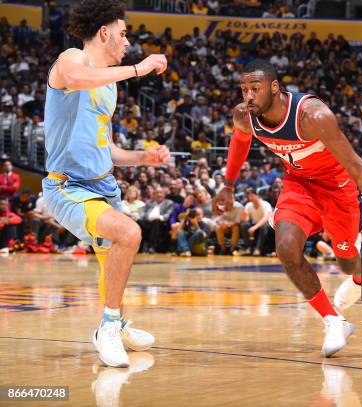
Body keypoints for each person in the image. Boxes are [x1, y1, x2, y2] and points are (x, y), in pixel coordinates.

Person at [214, 60, 362, 357]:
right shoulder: (245, 116)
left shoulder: (313, 116)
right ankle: (333, 319)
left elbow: (356, 165)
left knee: (348, 263)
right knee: (286, 247)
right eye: (244, 89)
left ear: (274, 88)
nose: (248, 96)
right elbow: (240, 139)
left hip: (338, 188)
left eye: (255, 89)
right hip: (299, 184)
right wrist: (228, 185)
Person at [42, 0, 169, 368]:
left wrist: (143, 158)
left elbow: (107, 148)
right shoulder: (71, 60)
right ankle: (108, 327)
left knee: (112, 260)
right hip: (68, 186)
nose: (128, 41)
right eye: (124, 33)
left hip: (103, 187)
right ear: (104, 33)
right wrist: (138, 69)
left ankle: (117, 320)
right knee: (129, 233)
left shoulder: (109, 87)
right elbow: (77, 78)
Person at [240, 187, 272, 256]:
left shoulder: (265, 204)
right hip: (255, 225)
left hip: (267, 226)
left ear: (257, 195)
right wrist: (244, 217)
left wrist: (255, 227)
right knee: (244, 225)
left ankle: (258, 249)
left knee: (264, 226)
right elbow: (246, 219)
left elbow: (266, 218)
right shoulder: (248, 205)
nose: (250, 197)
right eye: (249, 196)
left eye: (252, 195)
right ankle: (248, 248)